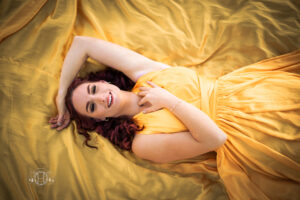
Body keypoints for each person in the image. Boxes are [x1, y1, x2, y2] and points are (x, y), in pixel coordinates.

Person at [49, 36, 300, 199]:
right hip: (245, 133)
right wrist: (170, 102)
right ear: (100, 120)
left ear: (102, 82)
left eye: (94, 90)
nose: (101, 98)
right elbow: (214, 139)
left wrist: (62, 96)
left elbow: (82, 44)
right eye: (92, 108)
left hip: (246, 90)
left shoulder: (145, 74)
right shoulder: (141, 141)